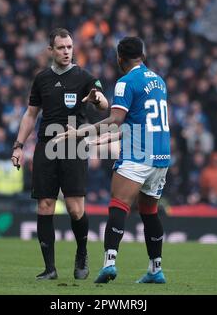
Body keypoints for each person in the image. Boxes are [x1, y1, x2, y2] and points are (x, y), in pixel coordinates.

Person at [54, 36, 171, 284]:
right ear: (143, 55)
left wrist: (80, 132)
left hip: (137, 155)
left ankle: (109, 264)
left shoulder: (125, 83)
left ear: (120, 58)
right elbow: (138, 122)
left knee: (119, 205)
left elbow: (115, 120)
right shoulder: (159, 81)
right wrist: (101, 141)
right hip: (160, 156)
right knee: (150, 211)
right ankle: (155, 269)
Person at [11, 28, 109, 280]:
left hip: (74, 145)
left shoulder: (85, 76)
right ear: (51, 50)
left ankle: (82, 253)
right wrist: (18, 146)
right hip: (47, 146)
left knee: (76, 209)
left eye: (69, 47)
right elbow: (31, 114)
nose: (66, 51)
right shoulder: (42, 79)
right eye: (61, 48)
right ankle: (50, 269)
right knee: (45, 206)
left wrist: (96, 99)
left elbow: (104, 104)